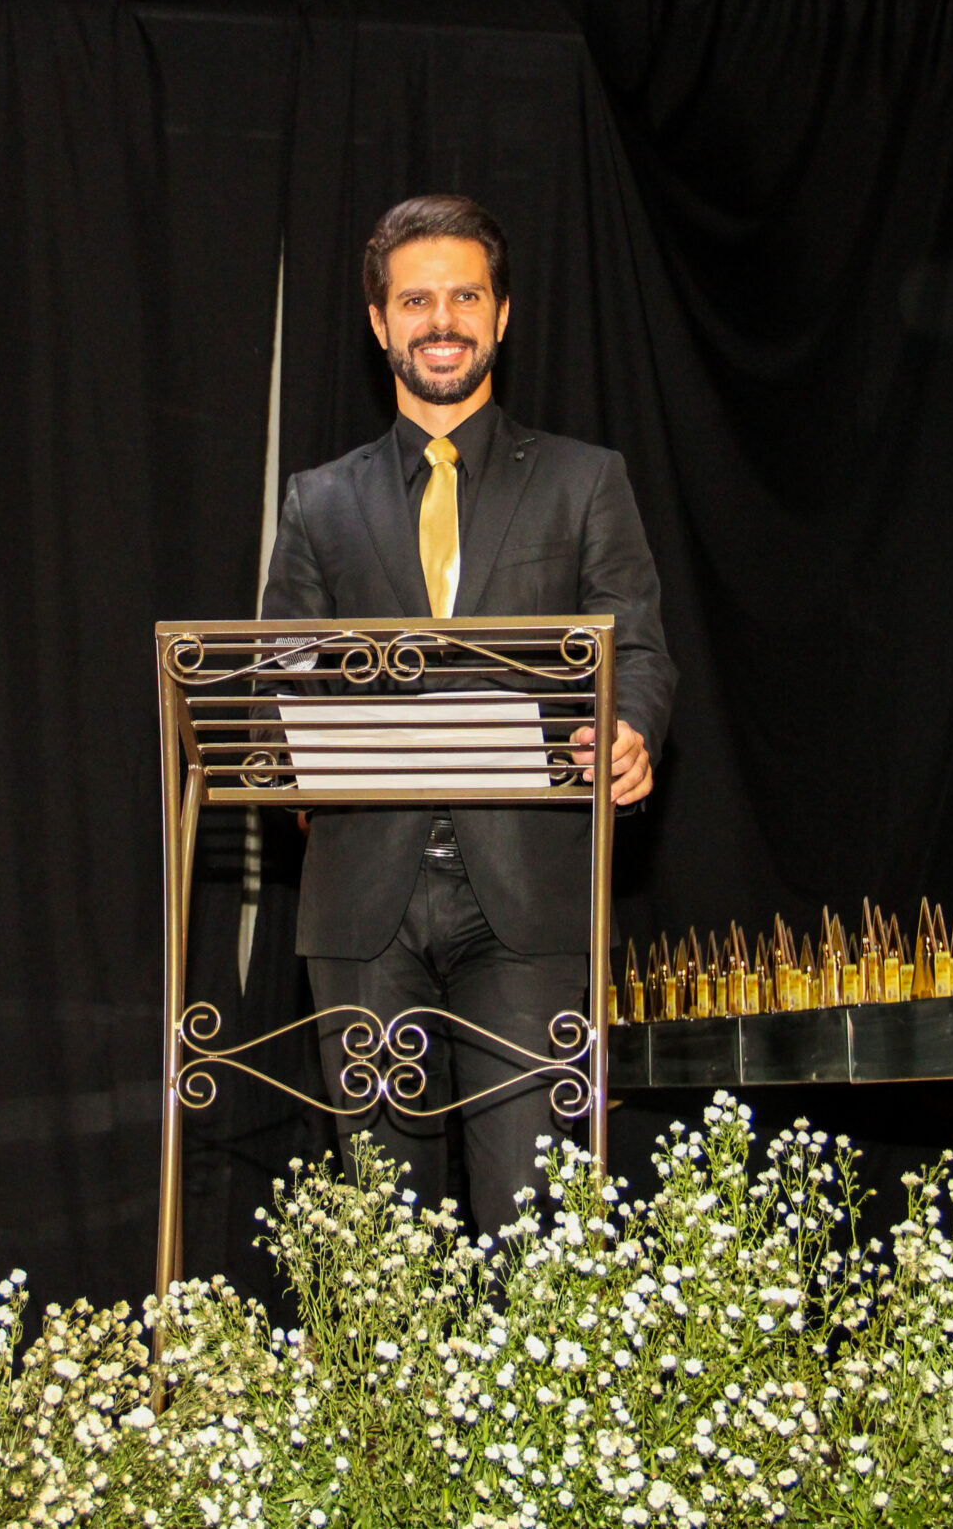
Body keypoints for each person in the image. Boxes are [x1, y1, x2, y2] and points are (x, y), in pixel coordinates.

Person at [258, 194, 676, 1237]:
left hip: (528, 899)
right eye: (414, 301)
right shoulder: (319, 500)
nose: (440, 320)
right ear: (378, 323)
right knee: (385, 1237)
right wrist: (294, 766)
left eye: (463, 297)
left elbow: (635, 648)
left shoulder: (585, 481)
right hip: (362, 902)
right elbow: (280, 677)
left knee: (533, 1225)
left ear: (501, 315)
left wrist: (629, 727)